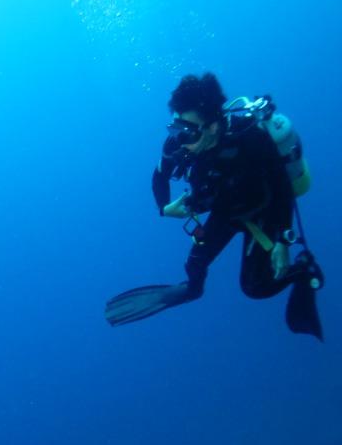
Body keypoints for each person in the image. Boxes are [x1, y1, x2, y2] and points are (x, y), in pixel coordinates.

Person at [104, 73, 323, 339]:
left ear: (213, 127)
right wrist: (164, 208)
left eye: (189, 131)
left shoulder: (251, 139)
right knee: (195, 265)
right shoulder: (178, 143)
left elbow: (281, 189)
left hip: (261, 208)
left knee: (255, 288)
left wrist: (282, 242)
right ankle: (192, 291)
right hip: (226, 211)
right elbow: (159, 176)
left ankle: (304, 271)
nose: (180, 139)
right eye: (176, 129)